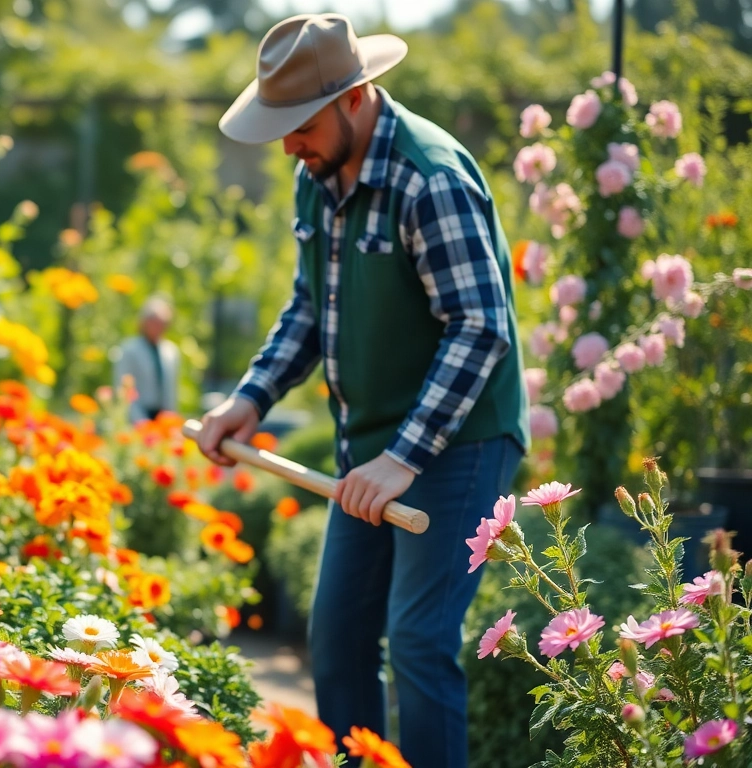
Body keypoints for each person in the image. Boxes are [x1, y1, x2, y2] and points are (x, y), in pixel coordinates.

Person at [193, 14, 529, 768]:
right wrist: (249, 400)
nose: (288, 144)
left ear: (355, 98)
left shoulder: (430, 177)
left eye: (300, 124)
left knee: (418, 640)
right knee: (337, 640)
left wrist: (402, 460)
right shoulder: (317, 173)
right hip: (373, 447)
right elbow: (311, 306)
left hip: (460, 443)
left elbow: (480, 328)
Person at [113, 296, 180, 424]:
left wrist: (171, 419)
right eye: (154, 322)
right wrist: (139, 421)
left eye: (163, 323)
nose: (159, 327)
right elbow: (124, 389)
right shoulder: (129, 350)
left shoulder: (171, 351)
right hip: (138, 417)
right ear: (144, 322)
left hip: (162, 417)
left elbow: (171, 391)